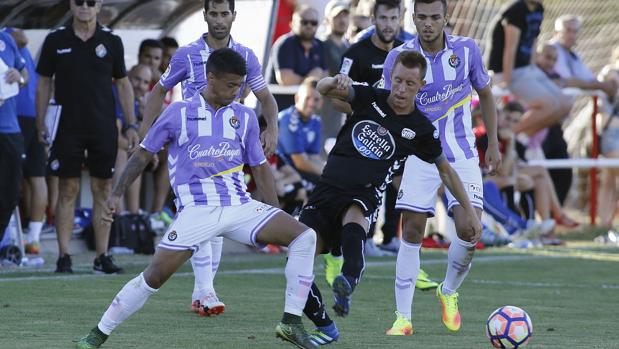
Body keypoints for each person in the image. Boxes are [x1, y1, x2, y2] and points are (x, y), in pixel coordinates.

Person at [75, 48, 318, 349]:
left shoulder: (244, 116)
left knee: (305, 237)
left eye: (240, 85)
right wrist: (116, 194)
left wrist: (274, 213)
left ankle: (291, 322)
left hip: (238, 205)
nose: (236, 91)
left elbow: (260, 168)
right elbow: (141, 156)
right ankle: (97, 334)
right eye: (230, 85)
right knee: (154, 276)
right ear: (210, 77)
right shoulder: (178, 112)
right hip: (197, 210)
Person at [299, 51, 482, 347]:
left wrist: (471, 214)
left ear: (421, 85)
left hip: (363, 192)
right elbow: (322, 89)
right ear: (390, 78)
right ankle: (322, 321)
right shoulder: (371, 97)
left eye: (410, 84)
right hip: (326, 189)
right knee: (297, 260)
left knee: (355, 213)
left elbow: (446, 172)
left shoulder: (421, 129)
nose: (400, 89)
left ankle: (349, 278)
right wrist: (335, 80)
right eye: (397, 80)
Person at [138, 0, 280, 317]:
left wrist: (272, 129)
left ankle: (202, 292)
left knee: (218, 217)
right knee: (203, 209)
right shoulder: (186, 54)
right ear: (204, 16)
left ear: (233, 16)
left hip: (229, 146)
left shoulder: (245, 55)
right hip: (192, 146)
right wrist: (146, 135)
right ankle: (206, 291)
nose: (219, 19)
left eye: (224, 13)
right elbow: (160, 91)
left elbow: (267, 99)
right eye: (213, 13)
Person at [382, 0, 501, 335]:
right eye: (421, 17)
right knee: (412, 230)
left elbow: (486, 94)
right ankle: (402, 318)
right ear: (413, 18)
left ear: (446, 17)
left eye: (435, 17)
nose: (428, 24)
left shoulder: (466, 50)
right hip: (419, 156)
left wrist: (492, 142)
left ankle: (447, 291)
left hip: (461, 154)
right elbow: (389, 107)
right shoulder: (400, 58)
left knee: (470, 230)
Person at [35, 0, 139, 274]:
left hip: (102, 126)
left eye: (90, 2)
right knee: (67, 189)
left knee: (103, 189)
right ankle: (64, 256)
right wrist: (40, 122)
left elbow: (124, 84)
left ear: (99, 5)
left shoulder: (111, 41)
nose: (84, 6)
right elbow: (44, 82)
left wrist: (131, 124)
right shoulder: (56, 39)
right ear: (71, 5)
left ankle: (101, 257)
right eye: (79, 1)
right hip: (66, 127)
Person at [485, 0, 572, 137]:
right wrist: (507, 81)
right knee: (550, 105)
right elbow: (510, 48)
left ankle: (520, 140)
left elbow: (533, 41)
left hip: (527, 69)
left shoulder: (538, 9)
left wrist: (533, 67)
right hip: (508, 71)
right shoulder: (516, 10)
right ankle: (502, 137)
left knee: (566, 103)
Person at [4, 28, 46, 254]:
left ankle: (32, 237)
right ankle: (30, 237)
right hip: (29, 111)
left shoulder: (8, 36)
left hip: (20, 113)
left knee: (27, 176)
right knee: (31, 176)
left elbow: (21, 36)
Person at [0, 30, 27, 241]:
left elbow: (24, 73)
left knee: (9, 193)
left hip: (9, 129)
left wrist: (19, 77)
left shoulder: (6, 38)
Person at [277, 77, 325, 185]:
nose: (311, 103)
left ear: (321, 103)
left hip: (298, 172)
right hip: (281, 172)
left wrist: (330, 172)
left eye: (316, 99)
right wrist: (329, 176)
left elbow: (314, 156)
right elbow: (300, 163)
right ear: (297, 98)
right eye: (307, 98)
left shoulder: (316, 121)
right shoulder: (288, 119)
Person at [271, 5, 327, 85]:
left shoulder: (319, 44)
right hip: (281, 96)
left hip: (308, 96)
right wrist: (311, 79)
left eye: (313, 23)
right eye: (304, 22)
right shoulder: (285, 43)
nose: (309, 26)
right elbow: (285, 79)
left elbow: (325, 75)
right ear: (293, 23)